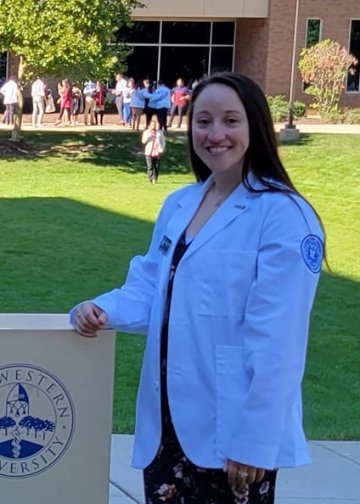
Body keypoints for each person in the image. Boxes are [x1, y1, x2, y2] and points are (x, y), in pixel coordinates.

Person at [70, 72, 325, 504]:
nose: (215, 134)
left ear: (256, 128)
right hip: (167, 428)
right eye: (203, 121)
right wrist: (100, 308)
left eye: (231, 121)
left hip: (233, 434)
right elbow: (151, 285)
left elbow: (279, 340)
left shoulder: (284, 216)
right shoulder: (181, 204)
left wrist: (255, 440)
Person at [142, 119, 166, 183]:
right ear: (149, 125)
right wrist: (149, 135)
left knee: (156, 166)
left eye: (155, 125)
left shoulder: (160, 132)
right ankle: (150, 179)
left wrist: (162, 149)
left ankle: (155, 179)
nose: (154, 126)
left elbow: (163, 141)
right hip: (149, 152)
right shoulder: (146, 132)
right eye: (152, 125)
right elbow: (143, 141)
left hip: (157, 152)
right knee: (149, 166)